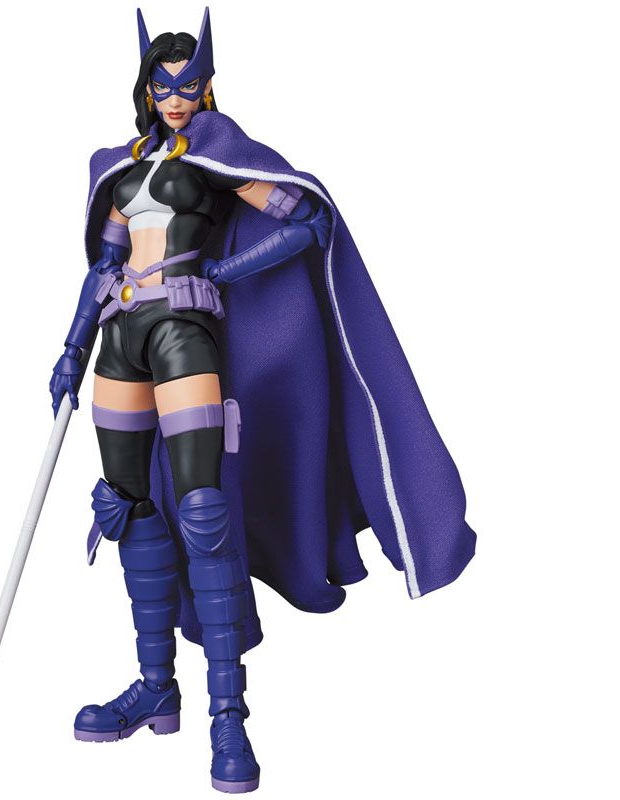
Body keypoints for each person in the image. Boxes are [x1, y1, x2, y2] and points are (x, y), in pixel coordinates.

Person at [49, 8, 476, 795]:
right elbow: (103, 265)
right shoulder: (117, 168)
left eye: (187, 85)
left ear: (206, 86)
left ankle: (229, 717)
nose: (176, 98)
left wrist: (221, 274)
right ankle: (156, 689)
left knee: (204, 509)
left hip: (184, 332)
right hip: (120, 338)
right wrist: (73, 346)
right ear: (145, 90)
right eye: (162, 86)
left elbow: (306, 220)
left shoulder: (216, 158)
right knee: (128, 504)